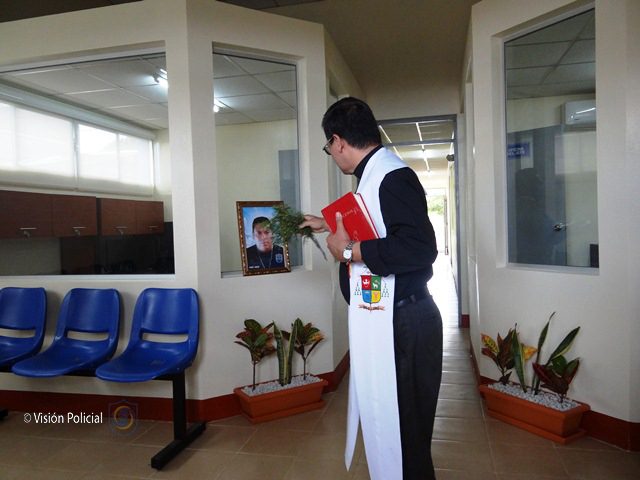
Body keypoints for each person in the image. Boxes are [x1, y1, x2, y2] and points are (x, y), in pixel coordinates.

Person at [300, 97, 442, 480]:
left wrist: (348, 250)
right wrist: (328, 224)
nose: (332, 153)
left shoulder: (392, 176)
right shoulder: (374, 173)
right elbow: (377, 226)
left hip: (406, 323)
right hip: (394, 319)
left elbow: (419, 247)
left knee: (406, 436)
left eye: (328, 146)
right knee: (394, 428)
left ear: (338, 141)